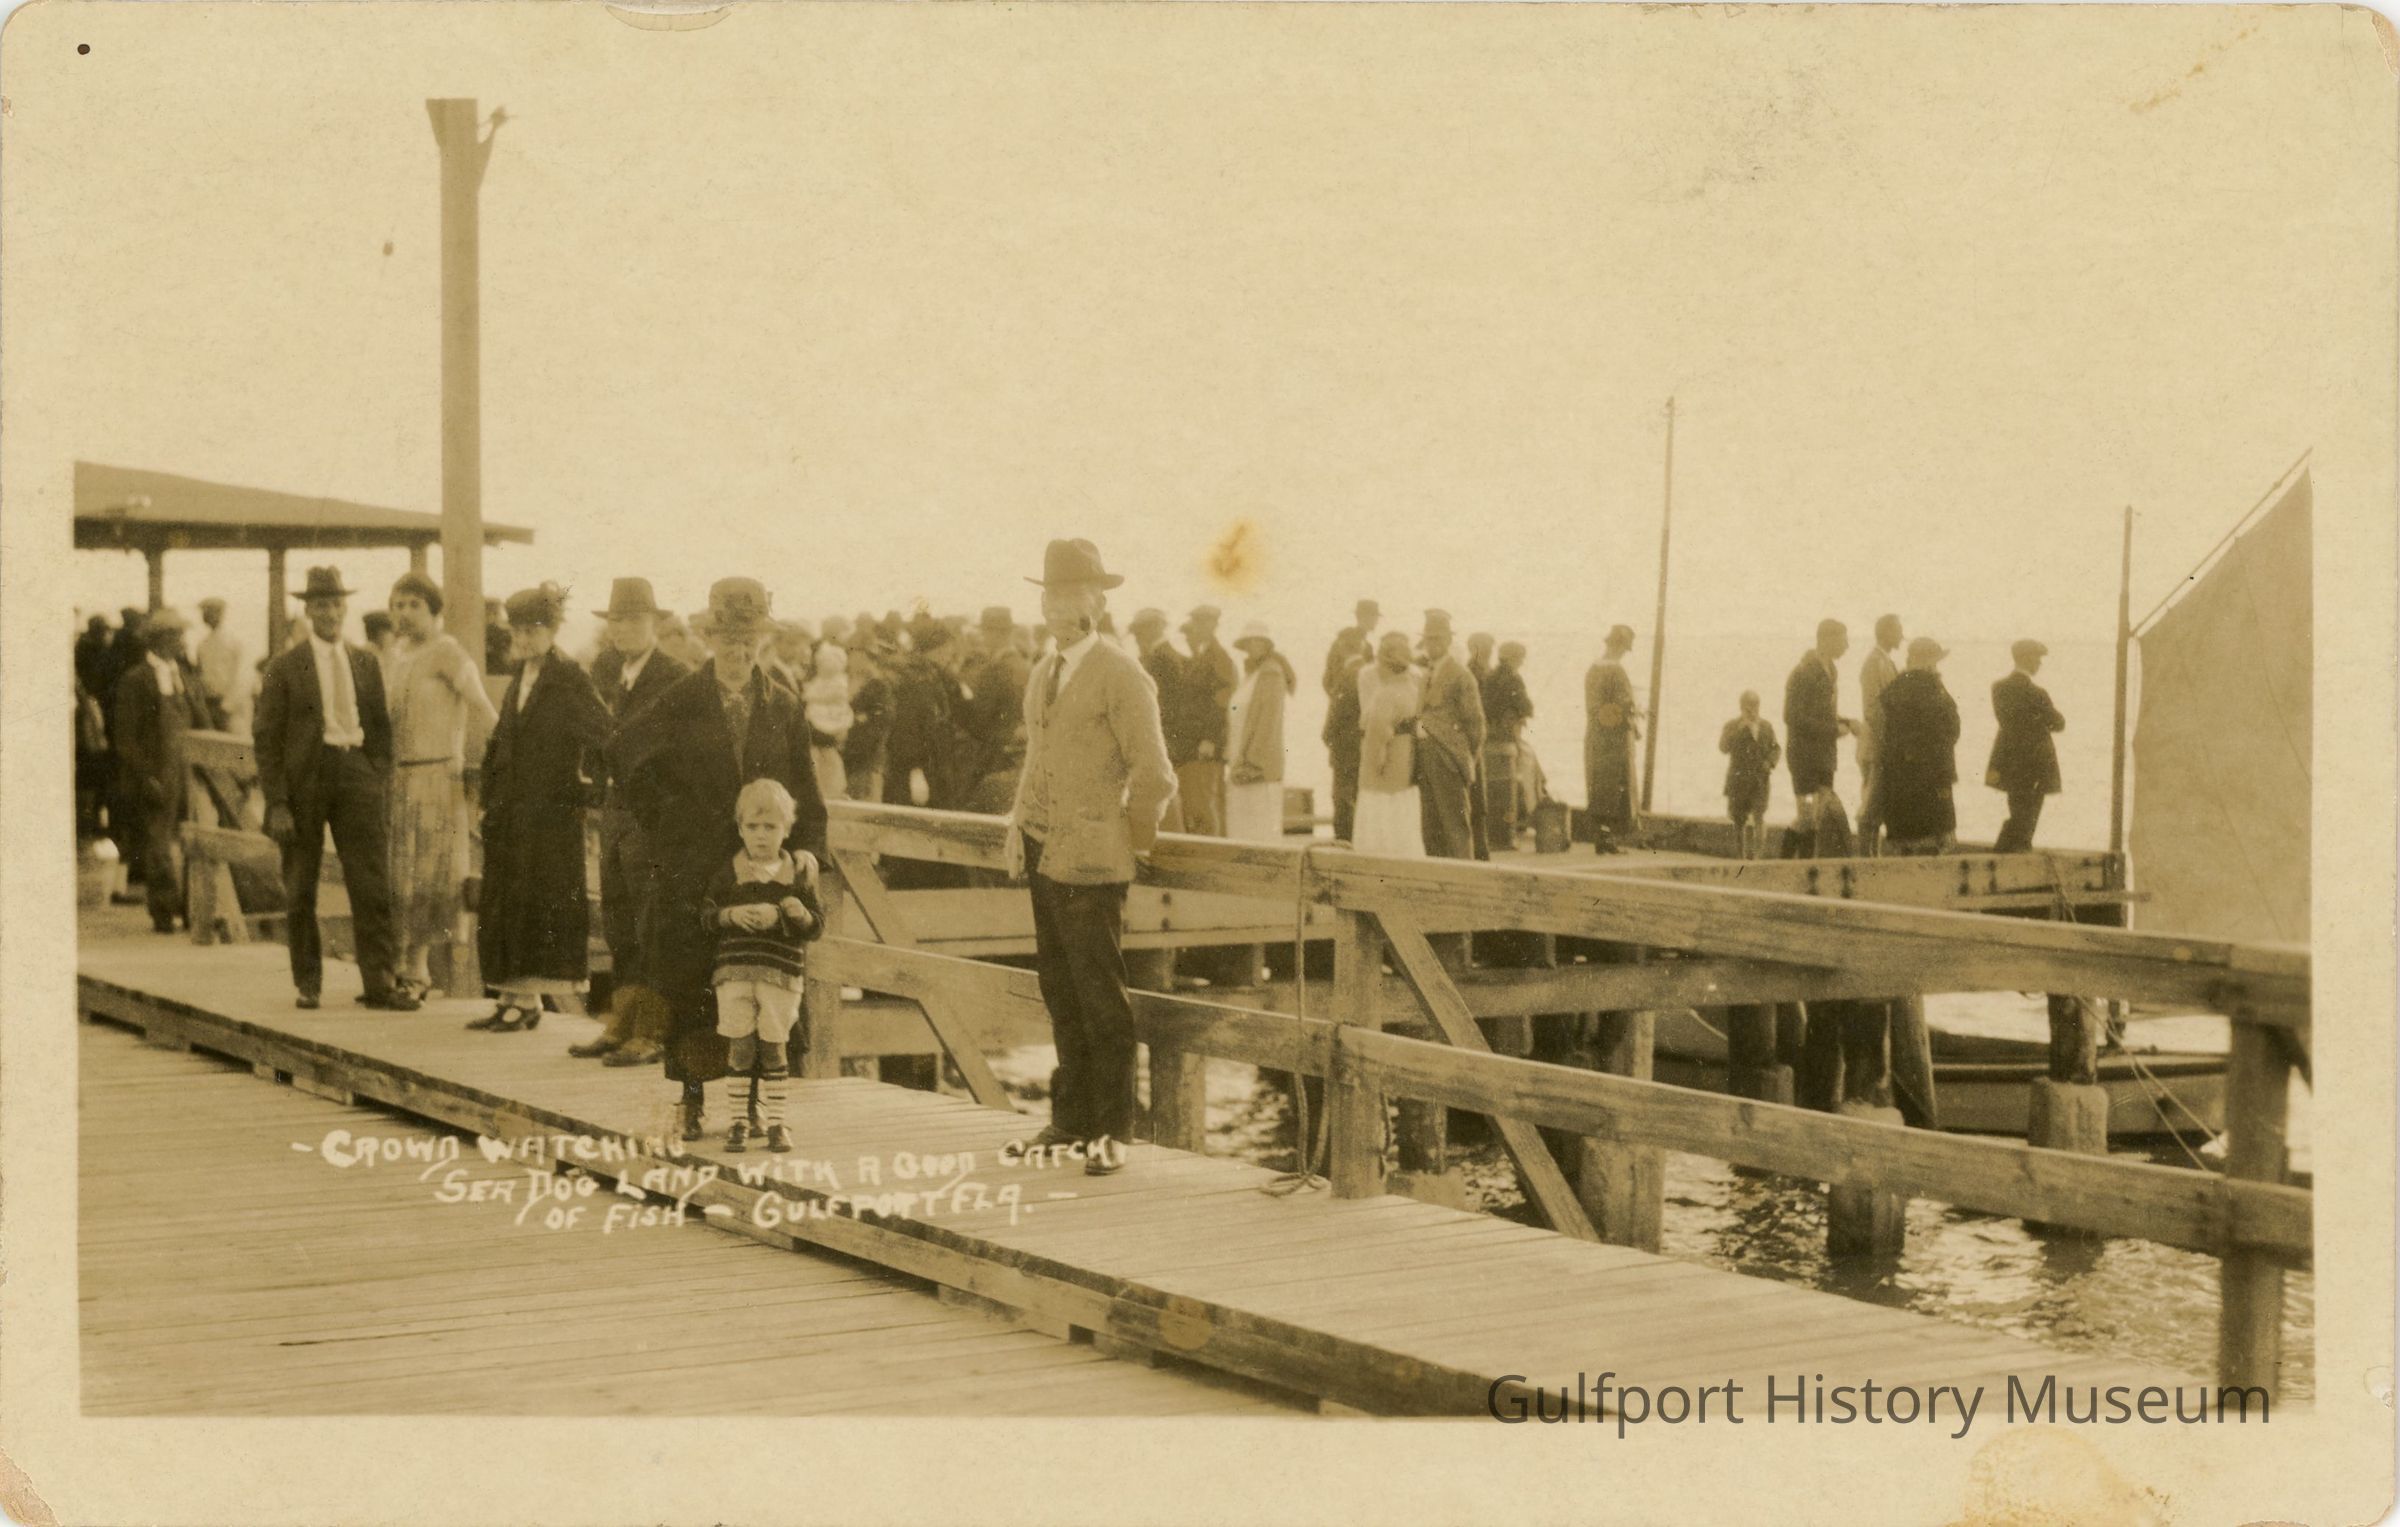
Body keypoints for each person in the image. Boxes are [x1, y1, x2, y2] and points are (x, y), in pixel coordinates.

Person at [613, 576, 829, 1143]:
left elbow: (806, 788)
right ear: (710, 638)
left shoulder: (783, 704)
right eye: (728, 638)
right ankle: (691, 1099)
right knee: (692, 986)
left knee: (757, 986)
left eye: (749, 638)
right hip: (694, 872)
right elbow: (626, 760)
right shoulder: (679, 699)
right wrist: (668, 828)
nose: (739, 650)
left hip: (763, 872)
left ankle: (751, 1105)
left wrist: (807, 848)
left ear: (763, 639)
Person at [1003, 539, 1176, 1176]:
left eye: (1073, 596)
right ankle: (1070, 1120)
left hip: (1094, 861)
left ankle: (1112, 1131)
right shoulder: (1043, 672)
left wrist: (1131, 840)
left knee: (1101, 996)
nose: (1059, 608)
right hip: (1043, 850)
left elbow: (1154, 773)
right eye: (1051, 596)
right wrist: (1016, 824)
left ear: (1099, 603)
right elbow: (1036, 756)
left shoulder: (1122, 674)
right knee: (1060, 988)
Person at [252, 566, 415, 1010]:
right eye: (320, 605)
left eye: (335, 604)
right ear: (308, 611)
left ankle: (380, 983)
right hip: (305, 779)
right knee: (300, 887)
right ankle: (308, 983)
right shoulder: (285, 666)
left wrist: (375, 773)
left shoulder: (364, 661)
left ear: (345, 609)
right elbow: (266, 739)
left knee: (371, 882)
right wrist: (277, 802)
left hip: (355, 770)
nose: (329, 613)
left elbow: (379, 726)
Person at [470, 584, 613, 1032]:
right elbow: (500, 742)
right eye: (517, 630)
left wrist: (589, 790)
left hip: (550, 816)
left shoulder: (567, 677)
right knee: (508, 903)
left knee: (538, 905)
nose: (524, 638)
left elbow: (602, 734)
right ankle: (512, 996)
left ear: (552, 630)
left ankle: (529, 1000)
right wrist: (488, 798)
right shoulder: (521, 677)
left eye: (533, 630)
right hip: (512, 812)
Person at [574, 577, 689, 1064]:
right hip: (616, 813)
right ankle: (621, 1021)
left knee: (652, 921)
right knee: (619, 919)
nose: (622, 629)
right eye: (616, 620)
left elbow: (676, 754)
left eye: (633, 620)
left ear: (654, 624)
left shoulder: (674, 676)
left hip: (652, 818)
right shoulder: (613, 673)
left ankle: (653, 1030)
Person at [382, 571, 499, 1001]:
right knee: (401, 876)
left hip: (438, 780)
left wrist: (505, 759)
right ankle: (400, 965)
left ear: (433, 610)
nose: (405, 613)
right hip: (401, 778)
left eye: (414, 605)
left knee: (432, 877)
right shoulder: (396, 656)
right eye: (399, 605)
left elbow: (484, 710)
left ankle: (418, 970)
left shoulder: (448, 652)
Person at [699, 777, 825, 1154]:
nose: (760, 835)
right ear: (740, 829)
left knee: (774, 1047)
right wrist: (730, 915)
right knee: (739, 1046)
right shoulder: (729, 872)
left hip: (779, 975)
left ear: (787, 830)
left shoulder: (797, 875)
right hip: (734, 974)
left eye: (770, 827)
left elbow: (816, 926)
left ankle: (777, 1123)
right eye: (752, 827)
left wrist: (795, 915)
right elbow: (706, 914)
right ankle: (738, 1121)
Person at [111, 609, 213, 933]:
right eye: (176, 636)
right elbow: (125, 739)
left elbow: (203, 722)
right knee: (158, 845)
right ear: (158, 640)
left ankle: (193, 908)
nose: (182, 642)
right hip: (157, 774)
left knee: (194, 839)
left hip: (188, 772)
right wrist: (147, 776)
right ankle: (164, 911)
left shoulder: (184, 676)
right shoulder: (135, 680)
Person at [1782, 618, 1857, 857]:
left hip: (1824, 757)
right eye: (1843, 640)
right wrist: (1834, 730)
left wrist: (1847, 723)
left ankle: (1803, 868)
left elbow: (1824, 715)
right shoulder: (1802, 672)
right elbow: (1791, 716)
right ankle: (1785, 866)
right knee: (1806, 817)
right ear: (1826, 639)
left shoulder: (1831, 671)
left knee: (1816, 818)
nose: (1847, 646)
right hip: (1804, 756)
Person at [1416, 610, 1487, 861]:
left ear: (1448, 640)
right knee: (1430, 826)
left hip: (1448, 758)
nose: (1432, 644)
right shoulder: (1425, 673)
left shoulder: (1460, 675)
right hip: (1424, 757)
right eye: (1428, 639)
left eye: (1437, 638)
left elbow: (1476, 725)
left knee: (1455, 825)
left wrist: (1464, 758)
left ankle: (1464, 875)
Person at [1880, 637, 1962, 854]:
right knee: (1934, 838)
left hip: (1900, 776)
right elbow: (1948, 728)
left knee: (1907, 837)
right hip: (1932, 774)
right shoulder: (1932, 688)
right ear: (1927, 660)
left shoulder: (1895, 687)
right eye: (1935, 661)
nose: (1936, 666)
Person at [1352, 631, 1427, 858]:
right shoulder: (1413, 690)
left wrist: (1373, 766)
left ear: (1385, 664)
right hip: (1406, 765)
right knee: (1403, 820)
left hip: (1383, 774)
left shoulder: (1385, 695)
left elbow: (1377, 738)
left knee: (1379, 823)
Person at [1989, 638, 2065, 852]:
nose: (2039, 663)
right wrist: (2039, 720)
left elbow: (2007, 720)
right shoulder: (2037, 693)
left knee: (2017, 808)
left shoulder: (1999, 688)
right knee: (2029, 813)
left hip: (2009, 760)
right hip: (2035, 762)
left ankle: (2011, 848)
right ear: (2028, 658)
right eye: (2037, 658)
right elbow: (2059, 723)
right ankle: (2012, 848)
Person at [957, 606, 1031, 814]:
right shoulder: (1021, 664)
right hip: (1012, 748)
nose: (983, 637)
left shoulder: (998, 668)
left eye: (985, 632)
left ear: (996, 633)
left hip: (993, 752)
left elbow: (980, 717)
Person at [1223, 621, 1293, 842]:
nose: (1252, 646)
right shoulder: (1251, 675)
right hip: (1240, 762)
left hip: (1258, 767)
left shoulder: (1271, 674)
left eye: (1258, 641)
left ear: (1266, 644)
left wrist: (1252, 761)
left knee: (1260, 829)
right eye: (1249, 642)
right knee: (1243, 828)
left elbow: (1268, 723)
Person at [1131, 608, 1197, 833]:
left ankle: (1173, 842)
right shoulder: (1166, 656)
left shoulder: (1161, 659)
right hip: (1168, 739)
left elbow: (1165, 706)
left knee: (1166, 798)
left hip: (1164, 739)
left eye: (1140, 630)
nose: (1138, 637)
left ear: (1155, 628)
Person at [1176, 605, 1237, 836]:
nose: (1197, 627)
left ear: (1213, 625)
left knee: (1204, 807)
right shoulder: (1201, 657)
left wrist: (1210, 738)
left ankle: (1212, 852)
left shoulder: (1219, 658)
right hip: (1195, 745)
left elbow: (1222, 701)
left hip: (1205, 747)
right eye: (1196, 622)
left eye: (1202, 622)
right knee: (1201, 805)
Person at [1582, 624, 1640, 851]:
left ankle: (1602, 838)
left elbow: (1594, 706)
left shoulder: (1593, 669)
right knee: (1615, 788)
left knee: (1599, 786)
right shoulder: (1616, 671)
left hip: (1596, 736)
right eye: (1624, 648)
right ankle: (1607, 840)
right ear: (1620, 646)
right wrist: (1632, 715)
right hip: (1615, 738)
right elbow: (1624, 705)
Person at [1855, 614, 1903, 855]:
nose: (1902, 635)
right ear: (1886, 632)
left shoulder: (1885, 662)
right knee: (1870, 808)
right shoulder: (1875, 663)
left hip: (1881, 746)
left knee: (1877, 807)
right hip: (1876, 747)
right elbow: (1872, 709)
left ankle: (1872, 858)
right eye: (1898, 631)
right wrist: (1890, 739)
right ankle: (1866, 860)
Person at [1482, 640, 1534, 849]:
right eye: (1521, 659)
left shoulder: (1489, 677)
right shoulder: (1514, 678)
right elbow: (1526, 706)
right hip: (1506, 740)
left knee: (1492, 788)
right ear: (1514, 658)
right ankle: (1506, 837)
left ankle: (1493, 836)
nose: (1521, 663)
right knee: (1507, 790)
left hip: (1488, 740)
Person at [1320, 628, 1371, 842]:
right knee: (1359, 796)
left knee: (1342, 798)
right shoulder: (1369, 673)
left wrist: (1327, 737)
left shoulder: (1348, 675)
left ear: (1343, 648)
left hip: (1344, 748)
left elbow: (1335, 715)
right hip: (1363, 746)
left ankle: (1344, 842)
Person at [1719, 690, 1781, 861]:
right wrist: (1740, 729)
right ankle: (1740, 858)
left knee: (1759, 817)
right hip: (1738, 781)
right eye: (1748, 706)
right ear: (1741, 707)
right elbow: (1723, 747)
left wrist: (1770, 762)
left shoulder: (1766, 726)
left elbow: (1776, 748)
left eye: (1755, 705)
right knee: (1738, 820)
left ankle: (1757, 858)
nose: (1752, 709)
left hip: (1760, 780)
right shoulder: (1732, 725)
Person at [840, 638, 894, 805]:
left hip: (867, 760)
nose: (852, 659)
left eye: (858, 655)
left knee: (864, 802)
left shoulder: (878, 686)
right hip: (845, 758)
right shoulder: (844, 681)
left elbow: (880, 723)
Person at [801, 641, 855, 803]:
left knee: (829, 760)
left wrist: (811, 696)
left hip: (831, 716)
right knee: (819, 759)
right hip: (816, 720)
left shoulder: (839, 681)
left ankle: (831, 792)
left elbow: (833, 696)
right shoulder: (819, 680)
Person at [195, 597, 247, 733]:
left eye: (211, 612)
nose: (206, 616)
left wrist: (227, 705)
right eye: (204, 612)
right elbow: (200, 674)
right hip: (208, 705)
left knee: (232, 741)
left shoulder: (233, 641)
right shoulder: (203, 644)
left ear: (220, 614)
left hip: (228, 705)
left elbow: (241, 675)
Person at [1322, 599, 1380, 699]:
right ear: (1363, 617)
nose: (1376, 621)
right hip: (1348, 697)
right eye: (1374, 616)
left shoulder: (1365, 644)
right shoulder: (1349, 639)